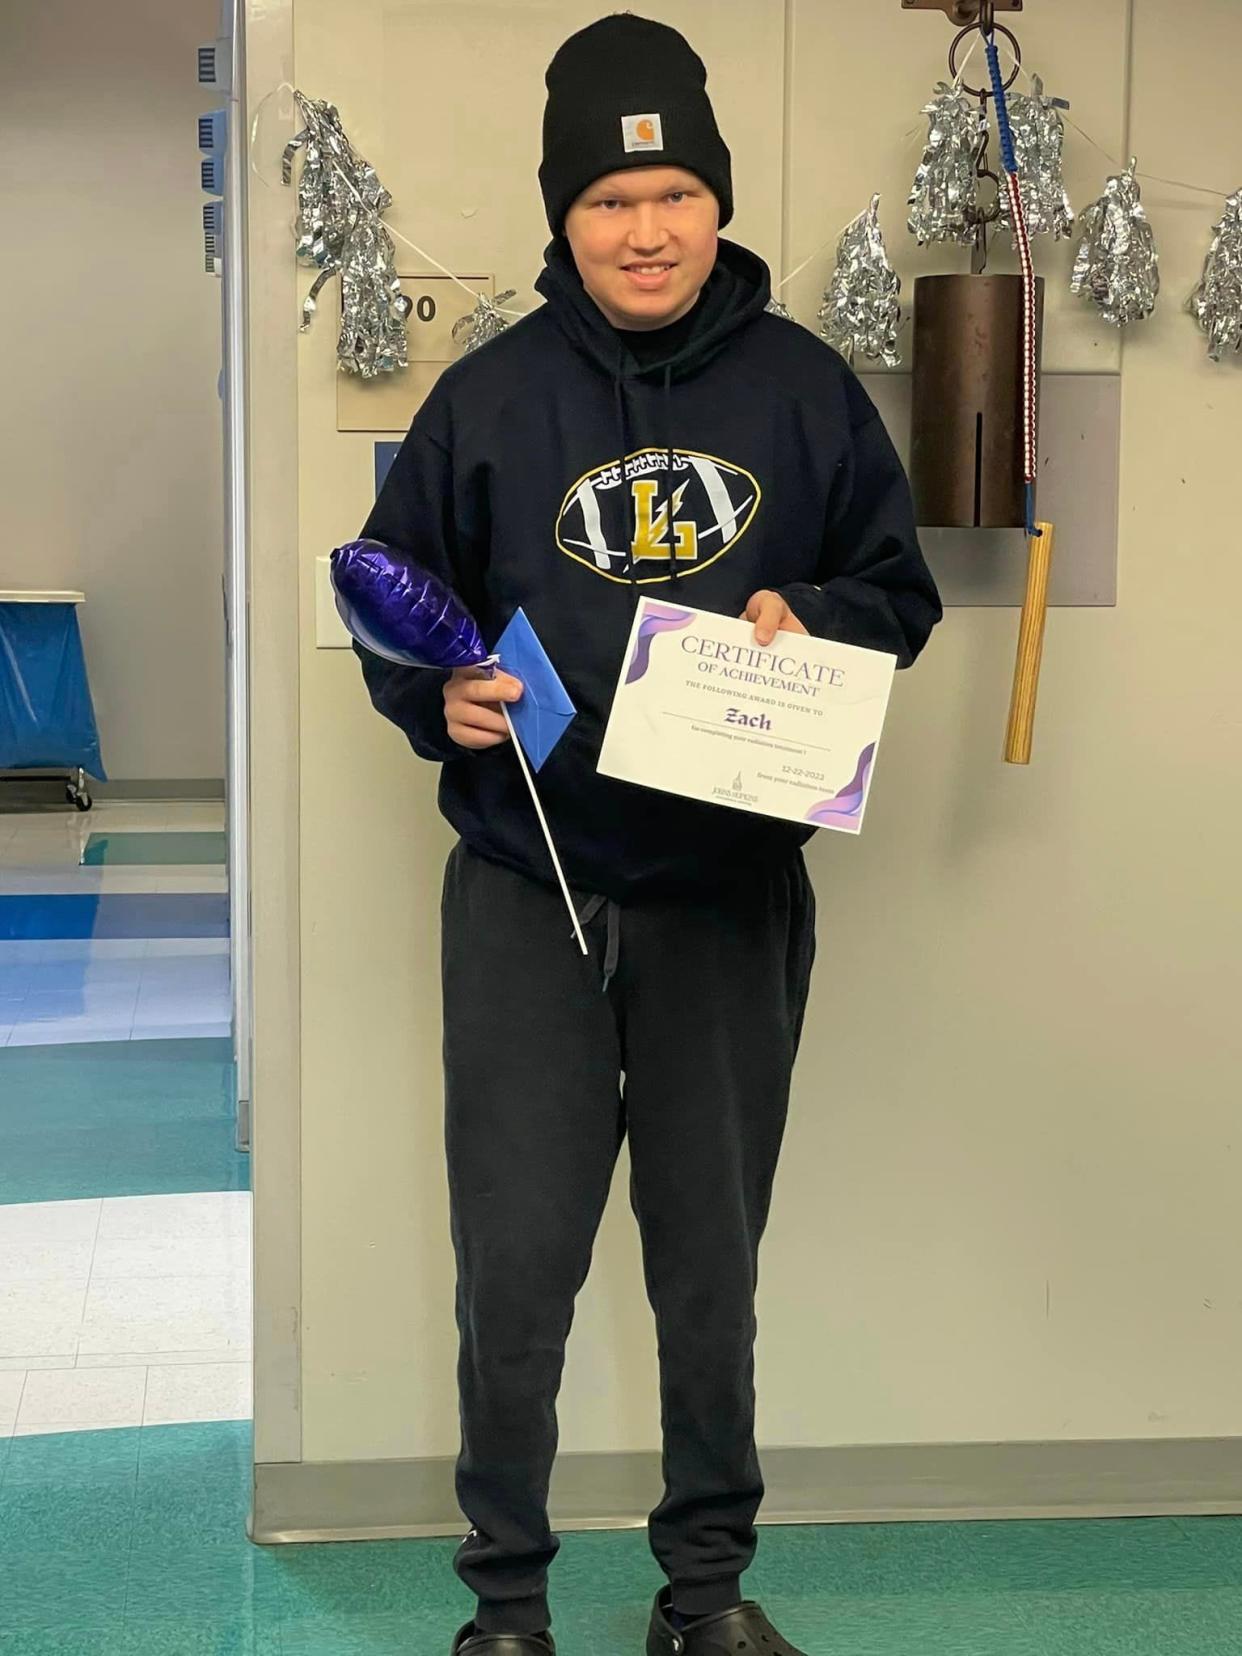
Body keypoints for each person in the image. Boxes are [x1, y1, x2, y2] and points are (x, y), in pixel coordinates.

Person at [353, 14, 942, 1654]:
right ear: (563, 215)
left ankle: (704, 1601)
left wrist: (805, 611)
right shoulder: (483, 399)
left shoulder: (809, 393)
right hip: (527, 890)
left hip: (727, 899)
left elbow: (898, 598)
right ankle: (508, 1607)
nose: (646, 227)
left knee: (707, 1268)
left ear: (715, 202)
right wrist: (440, 704)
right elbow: (406, 620)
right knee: (517, 1268)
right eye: (611, 201)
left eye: (676, 190)